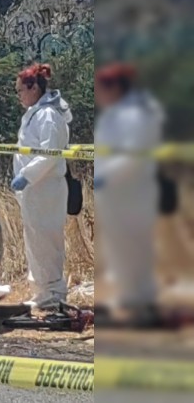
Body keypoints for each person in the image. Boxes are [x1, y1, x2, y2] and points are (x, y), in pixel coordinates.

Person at [94, 62, 165, 326]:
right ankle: (130, 299)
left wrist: (106, 176)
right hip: (115, 195)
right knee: (119, 250)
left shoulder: (136, 114)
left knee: (137, 249)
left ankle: (144, 304)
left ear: (114, 88)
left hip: (132, 192)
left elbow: (133, 156)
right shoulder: (116, 113)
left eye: (100, 89)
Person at [11, 63, 73, 310]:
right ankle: (42, 293)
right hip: (34, 190)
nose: (19, 96)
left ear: (34, 87)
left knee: (47, 242)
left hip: (46, 188)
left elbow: (49, 154)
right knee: (35, 241)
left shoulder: (48, 115)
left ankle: (54, 294)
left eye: (20, 90)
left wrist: (26, 174)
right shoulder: (36, 113)